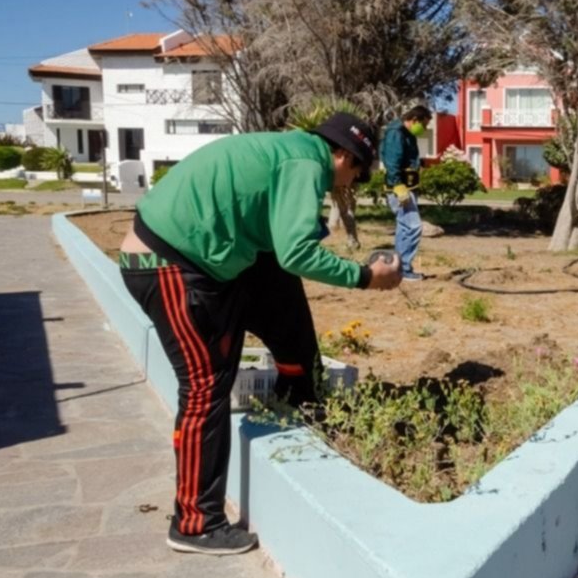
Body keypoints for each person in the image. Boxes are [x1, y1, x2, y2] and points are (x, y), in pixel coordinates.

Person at [118, 113, 403, 554]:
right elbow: (297, 253)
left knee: (280, 297)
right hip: (167, 266)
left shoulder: (291, 150)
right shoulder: (306, 165)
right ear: (344, 154)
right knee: (204, 388)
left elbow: (278, 244)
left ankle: (299, 397)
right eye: (358, 173)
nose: (352, 183)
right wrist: (366, 276)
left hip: (206, 263)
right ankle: (195, 523)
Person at [381, 105, 432, 281]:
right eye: (424, 125)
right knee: (413, 226)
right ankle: (403, 270)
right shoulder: (396, 133)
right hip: (400, 188)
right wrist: (397, 185)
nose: (424, 129)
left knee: (404, 228)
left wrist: (424, 163)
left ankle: (398, 269)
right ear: (414, 120)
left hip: (407, 186)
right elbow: (391, 160)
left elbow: (406, 159)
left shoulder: (407, 134)